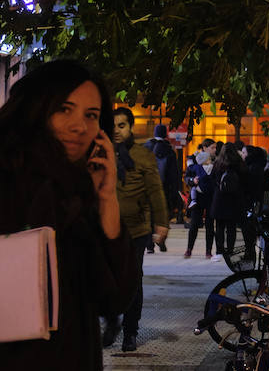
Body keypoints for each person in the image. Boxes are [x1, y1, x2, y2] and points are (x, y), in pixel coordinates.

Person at [0, 59, 133, 369]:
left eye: (92, 115)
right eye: (64, 109)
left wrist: (107, 199)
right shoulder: (11, 178)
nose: (79, 126)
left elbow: (115, 299)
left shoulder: (78, 189)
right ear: (36, 109)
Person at [104, 106, 169, 352]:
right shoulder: (101, 153)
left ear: (130, 127)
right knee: (106, 277)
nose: (117, 131)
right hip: (106, 230)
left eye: (121, 125)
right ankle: (111, 321)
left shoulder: (143, 156)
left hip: (136, 230)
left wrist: (161, 223)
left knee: (132, 280)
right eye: (112, 126)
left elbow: (155, 191)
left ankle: (130, 331)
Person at [210, 142, 249, 259]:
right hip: (234, 199)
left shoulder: (218, 163)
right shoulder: (240, 163)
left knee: (220, 227)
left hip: (220, 199)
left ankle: (219, 251)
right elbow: (245, 181)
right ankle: (230, 250)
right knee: (231, 228)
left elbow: (212, 180)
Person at [144, 124, 183, 235]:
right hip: (164, 187)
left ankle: (149, 243)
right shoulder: (169, 150)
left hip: (148, 186)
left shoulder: (146, 148)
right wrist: (175, 190)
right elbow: (174, 174)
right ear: (165, 134)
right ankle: (161, 236)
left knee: (149, 213)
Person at [184, 142, 217, 258]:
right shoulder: (195, 161)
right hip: (197, 198)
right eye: (212, 147)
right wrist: (192, 180)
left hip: (210, 197)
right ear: (205, 148)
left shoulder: (216, 162)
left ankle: (208, 251)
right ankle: (189, 249)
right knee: (194, 225)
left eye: (215, 147)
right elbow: (187, 177)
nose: (214, 150)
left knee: (210, 225)